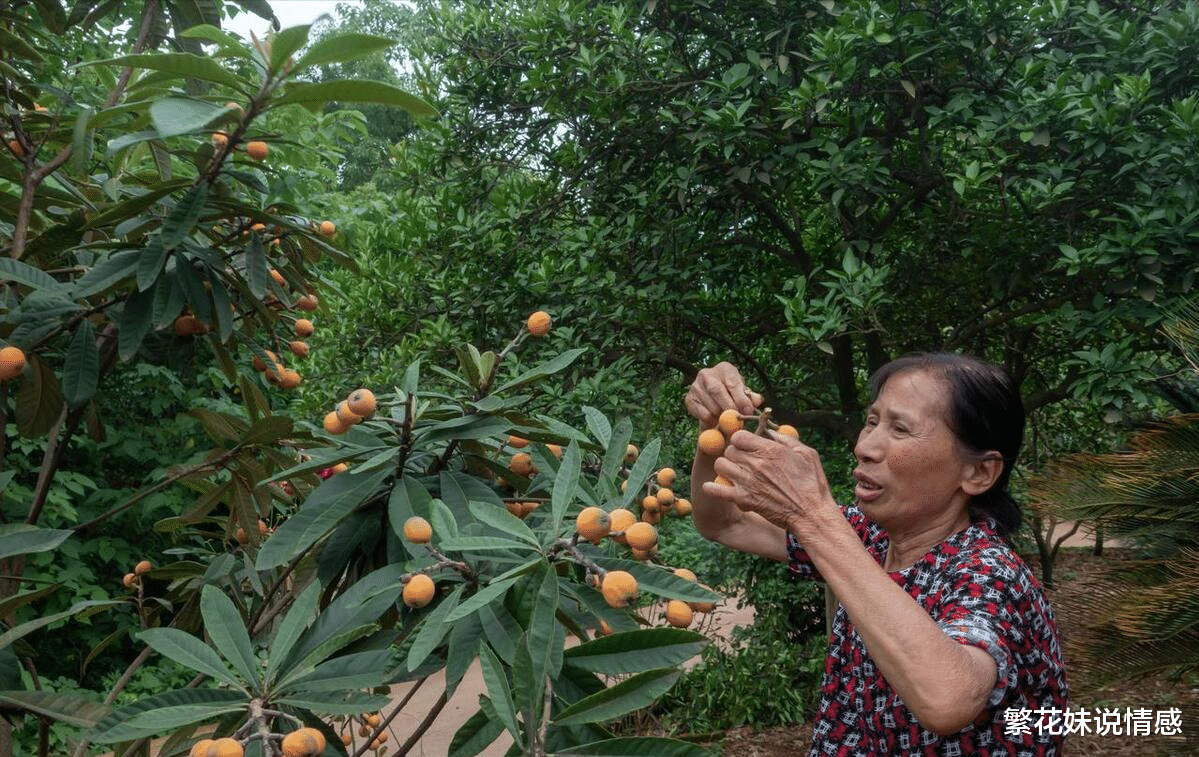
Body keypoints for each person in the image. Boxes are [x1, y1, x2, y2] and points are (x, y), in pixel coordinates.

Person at [685, 353, 1067, 756]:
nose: (863, 447)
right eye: (872, 422)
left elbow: (948, 699)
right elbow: (724, 522)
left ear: (978, 473)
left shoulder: (989, 573)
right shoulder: (871, 537)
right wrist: (716, 427)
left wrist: (812, 517)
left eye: (900, 429)